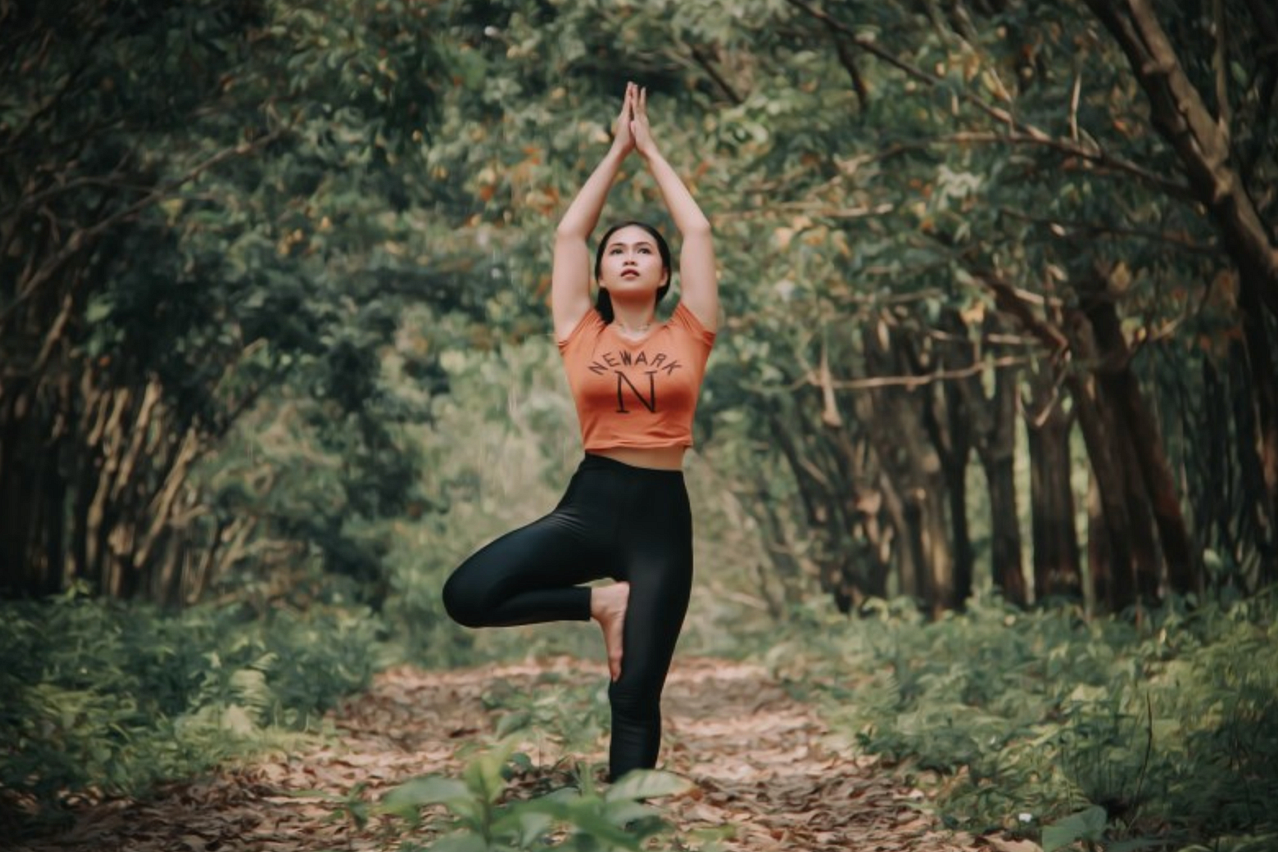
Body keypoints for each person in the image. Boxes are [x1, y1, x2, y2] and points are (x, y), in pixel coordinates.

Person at [442, 81, 719, 782]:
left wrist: (652, 152)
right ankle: (601, 604)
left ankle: (621, 830)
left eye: (643, 251)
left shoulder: (690, 332)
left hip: (661, 521)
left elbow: (699, 232)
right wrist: (615, 150)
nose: (629, 254)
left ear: (662, 276)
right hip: (591, 505)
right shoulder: (579, 332)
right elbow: (567, 232)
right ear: (599, 273)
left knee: (634, 694)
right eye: (617, 249)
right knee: (468, 596)